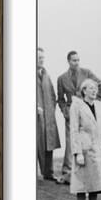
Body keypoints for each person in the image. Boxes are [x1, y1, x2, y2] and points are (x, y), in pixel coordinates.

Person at [57, 51, 101, 185]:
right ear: (68, 61)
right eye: (74, 60)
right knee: (70, 141)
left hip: (85, 112)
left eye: (78, 60)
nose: (77, 63)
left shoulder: (87, 73)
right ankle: (67, 174)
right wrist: (65, 111)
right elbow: (60, 99)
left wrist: (93, 103)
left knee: (87, 140)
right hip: (70, 113)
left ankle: (87, 170)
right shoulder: (61, 78)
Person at [69, 78, 101, 200]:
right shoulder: (77, 106)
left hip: (96, 151)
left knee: (95, 186)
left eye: (95, 88)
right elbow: (73, 130)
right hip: (83, 152)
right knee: (81, 186)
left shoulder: (99, 106)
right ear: (84, 90)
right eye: (91, 88)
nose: (94, 90)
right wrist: (77, 152)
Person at [37, 47, 61, 181]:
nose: (41, 60)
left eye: (42, 58)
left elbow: (52, 94)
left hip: (48, 118)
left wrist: (51, 109)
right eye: (39, 58)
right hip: (35, 119)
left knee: (49, 144)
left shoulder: (46, 74)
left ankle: (48, 173)